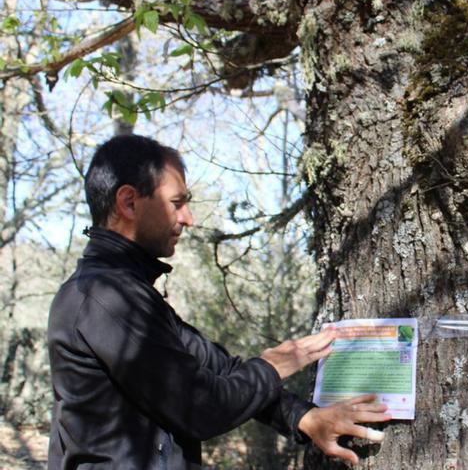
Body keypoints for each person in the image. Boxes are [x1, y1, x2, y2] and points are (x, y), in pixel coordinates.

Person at [48, 135, 388, 469]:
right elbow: (199, 407)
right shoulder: (105, 299)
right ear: (129, 203)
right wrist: (273, 366)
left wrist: (303, 416)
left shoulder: (127, 292)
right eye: (177, 203)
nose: (188, 218)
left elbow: (219, 369)